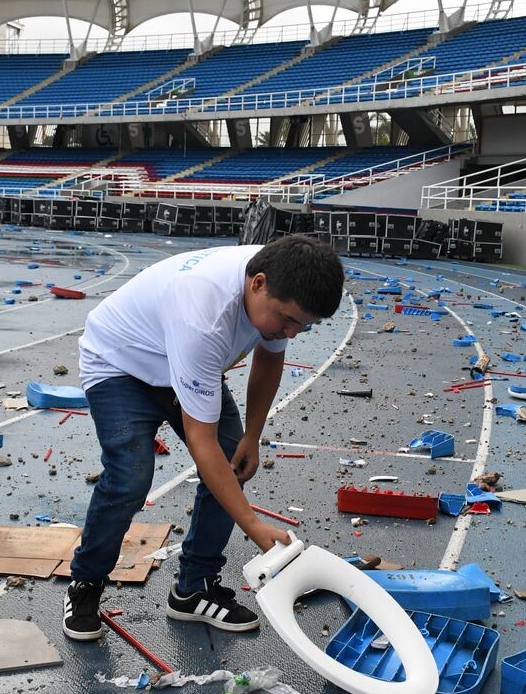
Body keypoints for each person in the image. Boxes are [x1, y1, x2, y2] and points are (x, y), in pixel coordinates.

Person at [63, 235, 345, 640]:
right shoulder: (203, 317)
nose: (293, 332)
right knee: (130, 476)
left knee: (233, 459)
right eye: (288, 321)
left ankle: (193, 589)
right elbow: (201, 442)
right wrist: (254, 527)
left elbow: (271, 356)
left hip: (181, 360)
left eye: (304, 325)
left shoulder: (283, 282)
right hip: (120, 364)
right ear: (258, 284)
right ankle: (86, 582)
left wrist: (252, 436)